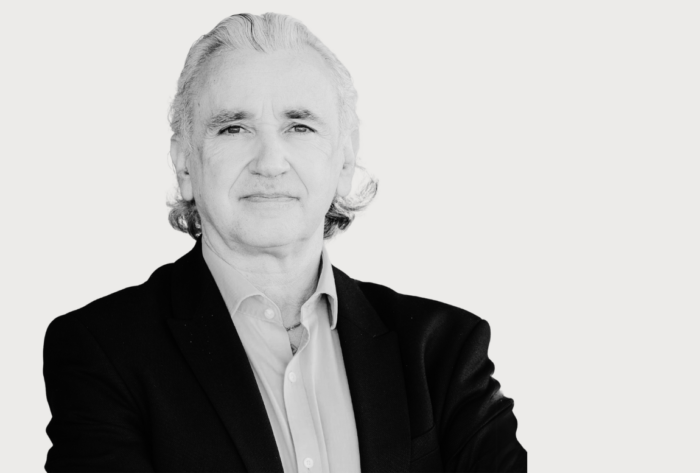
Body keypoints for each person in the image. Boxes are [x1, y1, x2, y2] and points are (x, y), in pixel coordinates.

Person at [43, 12, 526, 473]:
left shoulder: (444, 350)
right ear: (185, 163)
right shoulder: (103, 352)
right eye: (234, 128)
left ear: (344, 161)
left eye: (300, 126)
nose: (270, 162)